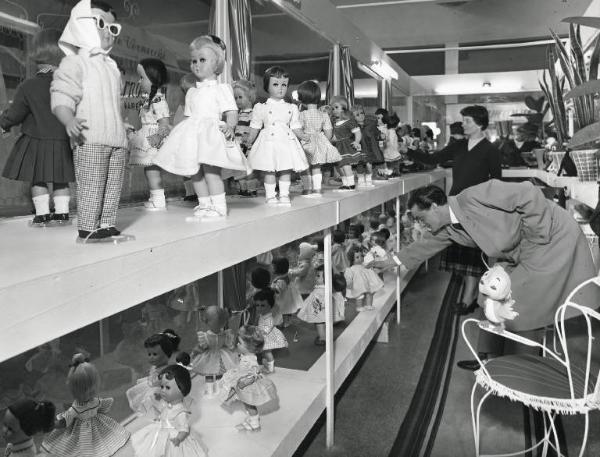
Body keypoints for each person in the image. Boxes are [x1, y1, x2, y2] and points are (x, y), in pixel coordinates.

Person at [380, 181, 598, 368]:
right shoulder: (446, 228)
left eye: (420, 217)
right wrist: (395, 260)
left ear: (435, 206)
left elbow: (528, 193)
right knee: (488, 296)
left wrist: (536, 235)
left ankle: (523, 368)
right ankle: (489, 358)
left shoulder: (474, 196)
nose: (420, 224)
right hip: (521, 248)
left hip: (550, 238)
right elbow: (427, 245)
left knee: (518, 301)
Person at [406, 106, 501, 315]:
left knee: (473, 253)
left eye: (467, 121)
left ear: (479, 124)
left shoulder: (491, 150)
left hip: (477, 207)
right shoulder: (458, 146)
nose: (463, 124)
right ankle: (470, 295)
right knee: (461, 251)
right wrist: (408, 152)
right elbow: (433, 159)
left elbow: (496, 182)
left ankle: (469, 298)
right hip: (455, 203)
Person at [51, 0, 128, 241]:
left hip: (116, 138)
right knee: (92, 185)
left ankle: (106, 224)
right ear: (80, 24)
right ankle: (87, 226)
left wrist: (122, 123)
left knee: (112, 187)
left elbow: (114, 104)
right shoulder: (75, 62)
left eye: (113, 28)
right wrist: (68, 119)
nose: (108, 32)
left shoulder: (112, 67)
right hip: (90, 136)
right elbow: (62, 95)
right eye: (102, 24)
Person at [153, 35, 250, 219]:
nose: (197, 64)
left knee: (212, 172)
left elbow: (231, 112)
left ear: (217, 62)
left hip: (211, 134)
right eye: (194, 61)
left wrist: (230, 126)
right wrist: (177, 135)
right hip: (193, 136)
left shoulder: (222, 89)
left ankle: (219, 206)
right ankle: (204, 204)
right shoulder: (192, 92)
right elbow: (188, 118)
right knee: (194, 172)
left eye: (202, 60)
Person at [1, 29, 74, 227]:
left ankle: (42, 215)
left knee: (38, 179)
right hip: (61, 140)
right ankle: (62, 215)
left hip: (35, 140)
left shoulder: (28, 86)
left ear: (36, 53)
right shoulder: (68, 85)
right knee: (61, 179)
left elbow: (15, 114)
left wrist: (3, 124)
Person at [246, 66, 308, 206]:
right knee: (269, 170)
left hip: (286, 141)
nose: (280, 88)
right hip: (269, 141)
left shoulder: (291, 108)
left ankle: (285, 195)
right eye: (275, 84)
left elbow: (295, 125)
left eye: (284, 84)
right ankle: (270, 195)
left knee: (285, 169)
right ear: (267, 86)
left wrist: (302, 135)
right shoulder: (261, 107)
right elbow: (255, 125)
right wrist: (250, 139)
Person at [128, 58, 170, 210]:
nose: (139, 81)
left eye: (142, 77)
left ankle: (159, 200)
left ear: (153, 78)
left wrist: (159, 136)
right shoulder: (149, 100)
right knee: (149, 169)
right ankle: (154, 197)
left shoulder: (158, 100)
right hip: (148, 136)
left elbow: (164, 122)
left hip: (153, 140)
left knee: (153, 171)